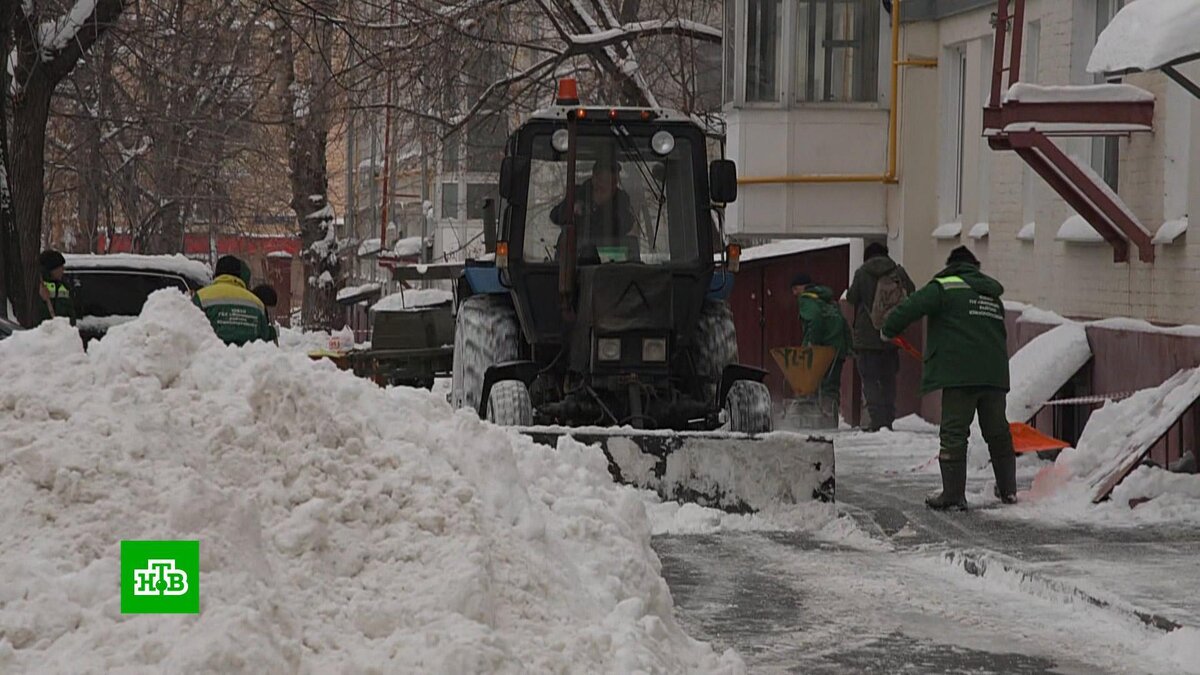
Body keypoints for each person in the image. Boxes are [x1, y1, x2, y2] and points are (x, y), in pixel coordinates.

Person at [882, 246, 1015, 511]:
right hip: (994, 373)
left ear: (951, 266)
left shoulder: (945, 286)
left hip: (960, 373)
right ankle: (1008, 490)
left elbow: (911, 307)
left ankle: (953, 495)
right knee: (997, 431)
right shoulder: (991, 295)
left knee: (954, 431)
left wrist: (888, 328)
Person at [846, 242, 915, 431]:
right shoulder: (898, 272)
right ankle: (888, 420)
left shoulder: (862, 273)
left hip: (866, 338)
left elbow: (851, 298)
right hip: (891, 336)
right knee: (888, 379)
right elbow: (912, 291)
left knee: (870, 379)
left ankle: (876, 420)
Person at [792, 273, 852, 422]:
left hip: (822, 349)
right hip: (837, 348)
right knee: (831, 387)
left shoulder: (806, 299)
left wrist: (812, 344)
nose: (794, 293)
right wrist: (848, 346)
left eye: (795, 289)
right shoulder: (828, 300)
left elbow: (815, 318)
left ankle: (816, 419)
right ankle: (830, 419)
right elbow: (843, 322)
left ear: (801, 287)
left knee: (811, 384)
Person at [550, 159, 638, 260]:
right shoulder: (578, 193)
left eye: (614, 182)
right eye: (605, 180)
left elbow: (626, 224)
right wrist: (571, 209)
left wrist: (603, 206)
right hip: (574, 259)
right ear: (595, 178)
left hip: (609, 258)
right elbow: (555, 216)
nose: (610, 186)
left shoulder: (621, 199)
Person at [193, 255, 272, 346]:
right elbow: (264, 336)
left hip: (209, 353)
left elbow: (190, 331)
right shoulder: (257, 304)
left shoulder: (201, 297)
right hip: (249, 354)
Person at [36, 249, 76, 327]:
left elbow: (71, 314)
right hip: (44, 331)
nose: (63, 270)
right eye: (60, 267)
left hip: (62, 331)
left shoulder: (65, 287)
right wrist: (41, 300)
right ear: (51, 269)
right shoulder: (39, 286)